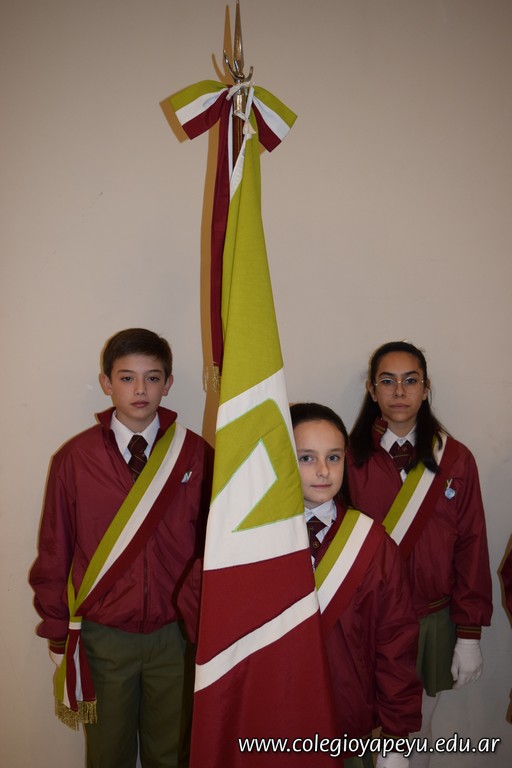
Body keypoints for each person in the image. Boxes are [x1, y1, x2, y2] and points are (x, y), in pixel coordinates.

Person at [29, 328, 212, 768]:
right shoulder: (75, 458)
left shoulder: (196, 454)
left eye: (153, 378)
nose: (140, 389)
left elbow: (213, 546)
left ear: (168, 384)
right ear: (107, 383)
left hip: (176, 634)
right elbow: (55, 549)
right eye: (127, 378)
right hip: (104, 636)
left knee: (171, 754)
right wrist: (57, 632)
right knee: (108, 754)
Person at [347, 341, 493, 768]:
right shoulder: (347, 459)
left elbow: (471, 545)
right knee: (361, 731)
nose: (399, 391)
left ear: (426, 388)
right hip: (366, 620)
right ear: (372, 390)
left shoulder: (456, 459)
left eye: (410, 381)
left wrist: (469, 633)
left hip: (432, 619)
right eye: (387, 381)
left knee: (417, 732)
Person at [291, 402, 422, 768]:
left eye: (333, 457)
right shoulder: (251, 539)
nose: (323, 470)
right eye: (306, 458)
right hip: (270, 721)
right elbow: (199, 615)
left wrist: (396, 736)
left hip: (346, 726)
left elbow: (395, 642)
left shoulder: (371, 543)